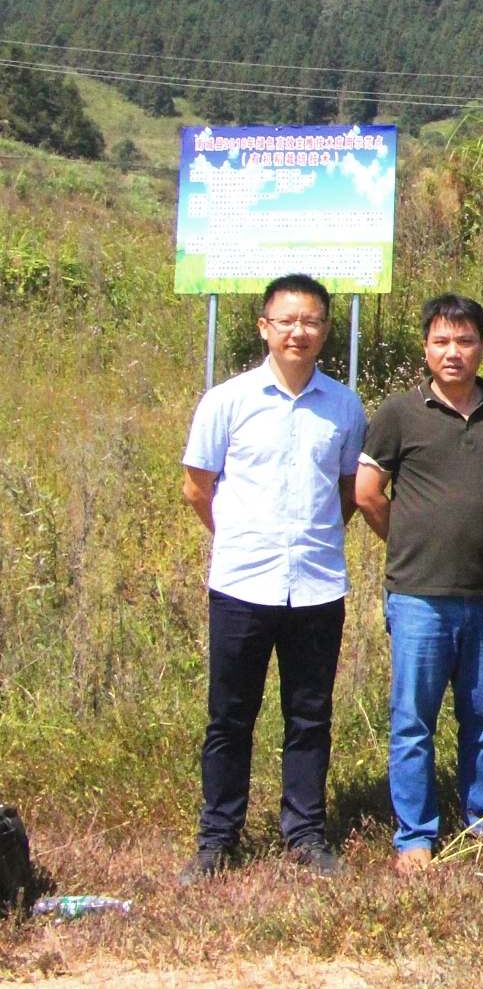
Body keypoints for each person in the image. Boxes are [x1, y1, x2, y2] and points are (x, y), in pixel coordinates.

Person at [177, 273, 367, 883]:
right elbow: (197, 488)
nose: (299, 331)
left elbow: (346, 494)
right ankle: (217, 837)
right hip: (242, 584)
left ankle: (304, 833)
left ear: (325, 330)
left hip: (316, 584)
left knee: (309, 715)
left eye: (311, 321)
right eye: (286, 320)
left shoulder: (344, 405)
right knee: (230, 716)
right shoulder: (226, 401)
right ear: (264, 326)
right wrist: (241, 538)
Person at [357, 295, 483, 872]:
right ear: (425, 347)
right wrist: (408, 543)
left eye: (465, 341)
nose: (453, 353)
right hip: (419, 598)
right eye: (441, 342)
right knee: (413, 720)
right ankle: (415, 835)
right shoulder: (399, 413)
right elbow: (367, 493)